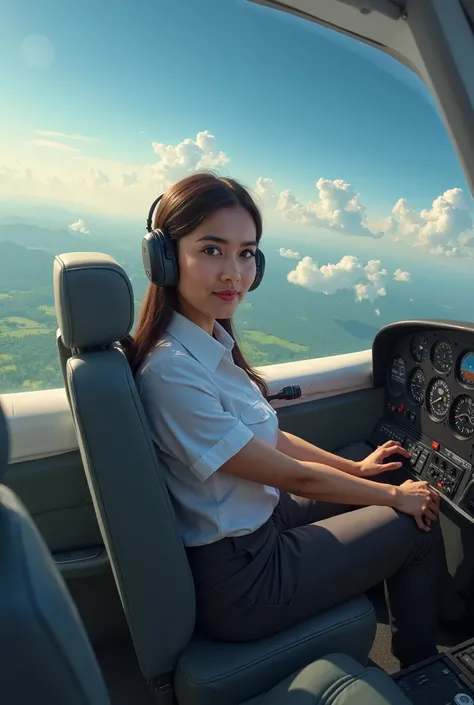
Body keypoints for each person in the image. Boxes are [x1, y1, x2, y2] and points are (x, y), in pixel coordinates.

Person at [127, 171, 465, 669]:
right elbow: (294, 476)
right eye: (212, 250)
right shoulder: (171, 372)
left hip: (257, 524)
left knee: (369, 459)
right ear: (165, 258)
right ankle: (424, 667)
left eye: (246, 253)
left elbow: (270, 439)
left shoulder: (205, 346)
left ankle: (415, 591)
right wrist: (395, 498)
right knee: (412, 524)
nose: (234, 273)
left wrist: (360, 471)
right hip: (244, 580)